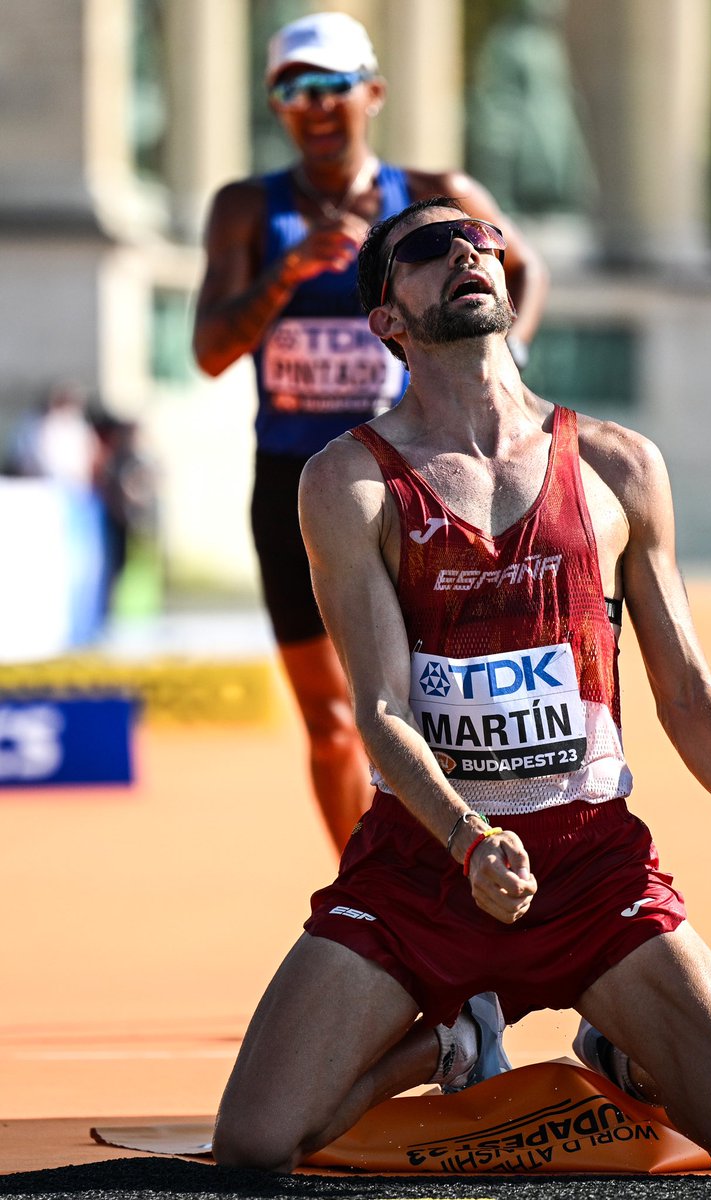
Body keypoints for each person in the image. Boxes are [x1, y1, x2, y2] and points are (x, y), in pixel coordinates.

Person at [212, 197, 711, 1176]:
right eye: (427, 247)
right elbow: (378, 711)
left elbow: (684, 684)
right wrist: (468, 837)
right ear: (388, 320)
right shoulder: (350, 482)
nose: (466, 251)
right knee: (254, 1147)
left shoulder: (619, 465)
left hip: (591, 873)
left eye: (482, 239)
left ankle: (615, 1039)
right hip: (423, 870)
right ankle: (448, 1038)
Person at [192, 13, 548, 851]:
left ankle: (468, 873)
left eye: (331, 87)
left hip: (419, 474)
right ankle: (373, 893)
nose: (313, 106)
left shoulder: (430, 195)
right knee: (331, 718)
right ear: (277, 105)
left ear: (373, 93)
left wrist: (509, 353)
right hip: (295, 481)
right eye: (292, 89)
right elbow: (210, 351)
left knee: (440, 703)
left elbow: (520, 266)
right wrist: (287, 271)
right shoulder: (250, 210)